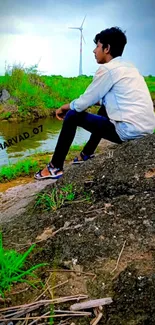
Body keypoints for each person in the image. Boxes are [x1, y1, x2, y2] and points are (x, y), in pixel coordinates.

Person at [34, 26, 155, 180]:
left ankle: (55, 167)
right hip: (146, 129)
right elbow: (107, 99)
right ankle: (86, 154)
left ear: (107, 48)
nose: (94, 50)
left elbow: (82, 104)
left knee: (72, 115)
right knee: (104, 109)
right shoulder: (130, 68)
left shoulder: (108, 69)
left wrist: (64, 107)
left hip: (129, 132)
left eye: (97, 46)